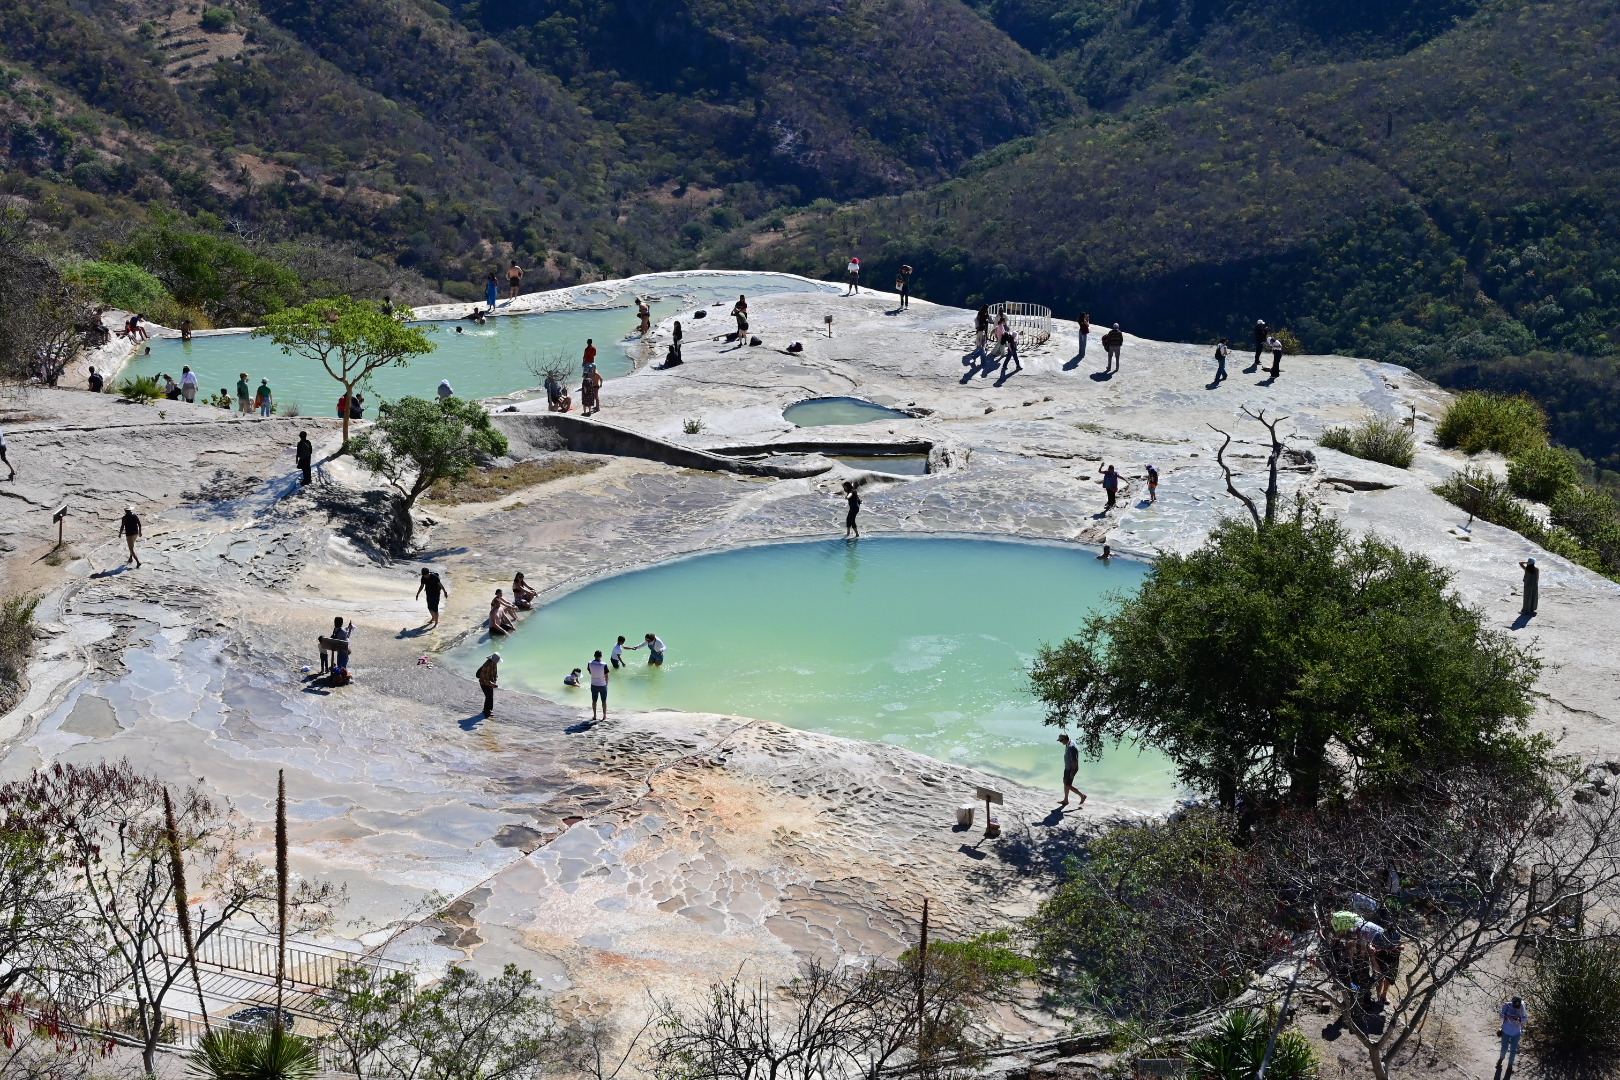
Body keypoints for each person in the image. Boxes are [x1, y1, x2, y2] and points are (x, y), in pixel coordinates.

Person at [1057, 733, 1086, 807]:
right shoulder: (1069, 742)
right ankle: (1066, 800)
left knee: (1068, 785)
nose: (1061, 742)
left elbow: (1074, 761)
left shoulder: (1071, 747)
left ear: (1065, 739)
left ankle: (1082, 796)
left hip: (1071, 768)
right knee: (1065, 782)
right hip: (1068, 767)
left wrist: (1073, 772)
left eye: (1061, 741)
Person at [587, 649, 610, 720]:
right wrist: (607, 683)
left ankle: (594, 716)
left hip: (594, 684)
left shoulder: (590, 663)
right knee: (604, 700)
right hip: (602, 684)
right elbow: (606, 675)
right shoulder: (604, 664)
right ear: (601, 656)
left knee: (594, 700)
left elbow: (590, 672)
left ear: (594, 656)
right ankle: (604, 716)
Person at [476, 652, 500, 717]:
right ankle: (486, 710)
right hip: (484, 682)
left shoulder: (494, 663)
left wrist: (494, 679)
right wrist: (492, 684)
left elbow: (495, 672)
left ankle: (488, 710)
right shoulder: (486, 666)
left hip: (489, 681)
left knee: (490, 696)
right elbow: (484, 679)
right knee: (489, 696)